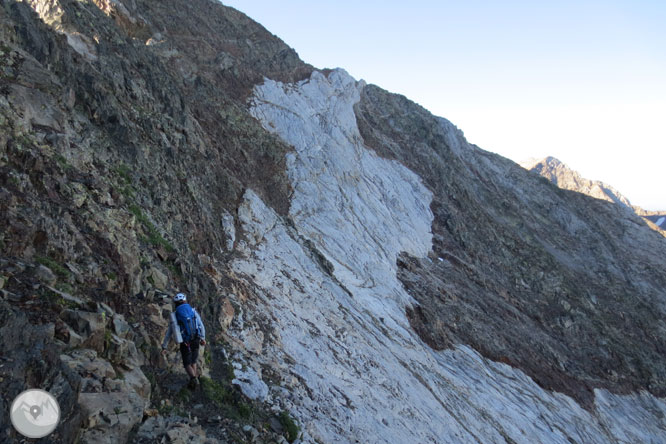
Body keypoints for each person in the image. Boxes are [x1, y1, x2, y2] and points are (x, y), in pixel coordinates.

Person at [161, 293, 206, 389]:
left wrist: (164, 346)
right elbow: (201, 325)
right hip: (196, 339)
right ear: (185, 301)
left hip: (185, 342)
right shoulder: (193, 311)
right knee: (193, 361)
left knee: (186, 364)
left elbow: (169, 333)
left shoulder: (175, 315)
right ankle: (194, 381)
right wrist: (203, 338)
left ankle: (194, 379)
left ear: (175, 303)